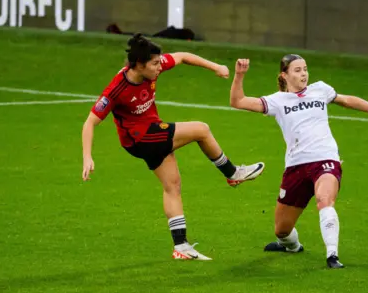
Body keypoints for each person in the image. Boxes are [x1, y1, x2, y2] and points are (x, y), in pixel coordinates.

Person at [82, 34, 265, 261]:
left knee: (172, 185)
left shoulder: (152, 67)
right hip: (141, 138)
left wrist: (215, 66)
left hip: (151, 132)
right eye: (155, 64)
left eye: (160, 62)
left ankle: (181, 246)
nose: (160, 67)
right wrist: (87, 156)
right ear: (139, 65)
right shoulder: (117, 89)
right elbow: (90, 122)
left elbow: (182, 56)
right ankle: (232, 173)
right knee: (201, 129)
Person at [229, 55, 368, 268]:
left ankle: (332, 255)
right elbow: (237, 101)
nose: (304, 74)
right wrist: (239, 75)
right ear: (285, 75)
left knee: (324, 199)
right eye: (298, 70)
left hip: (325, 159)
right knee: (281, 230)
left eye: (305, 69)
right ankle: (292, 246)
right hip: (295, 167)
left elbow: (346, 100)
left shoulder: (320, 89)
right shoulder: (277, 101)